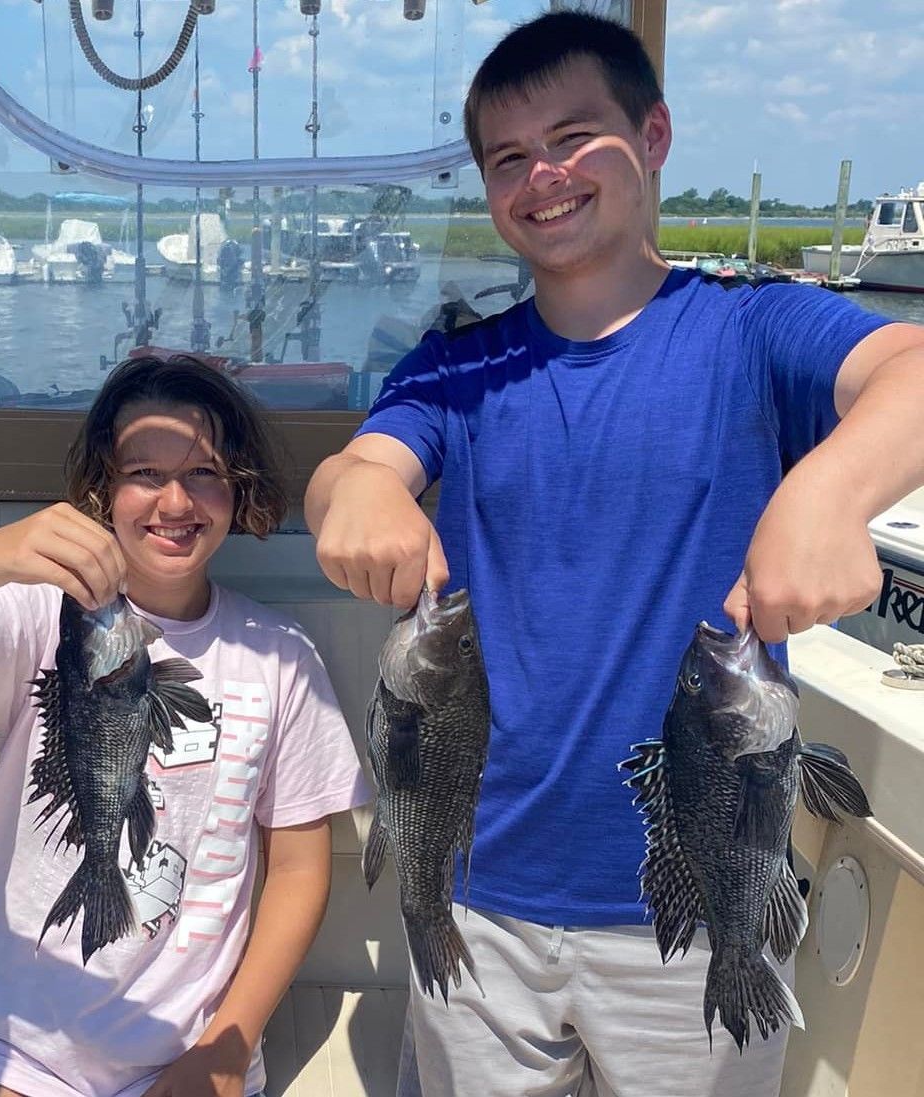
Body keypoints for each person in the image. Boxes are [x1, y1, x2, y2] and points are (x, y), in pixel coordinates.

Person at [305, 12, 924, 1097]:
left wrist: (827, 493)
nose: (542, 174)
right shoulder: (458, 369)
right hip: (478, 888)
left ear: (653, 135)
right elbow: (353, 471)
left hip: (702, 887)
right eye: (507, 157)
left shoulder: (753, 330)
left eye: (573, 135)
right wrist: (355, 493)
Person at [0, 354, 369, 1097]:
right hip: (2, 1034)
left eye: (204, 472)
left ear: (238, 491)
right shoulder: (34, 613)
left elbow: (301, 868)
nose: (174, 500)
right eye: (143, 472)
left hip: (188, 1051)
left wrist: (222, 1048)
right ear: (100, 490)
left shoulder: (278, 658)